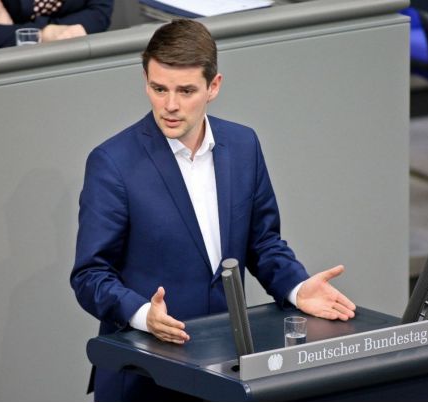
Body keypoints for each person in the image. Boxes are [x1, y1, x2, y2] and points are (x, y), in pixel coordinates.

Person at [71, 18, 356, 401]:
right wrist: (141, 314)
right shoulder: (112, 162)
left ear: (214, 86)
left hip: (223, 369)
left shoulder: (243, 145)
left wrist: (298, 287)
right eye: (159, 88)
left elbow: (263, 243)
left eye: (186, 90)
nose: (170, 105)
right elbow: (90, 274)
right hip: (144, 376)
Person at [0, 0, 114, 49]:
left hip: (74, 51)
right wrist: (42, 34)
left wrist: (18, 28)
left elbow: (99, 14)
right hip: (3, 63)